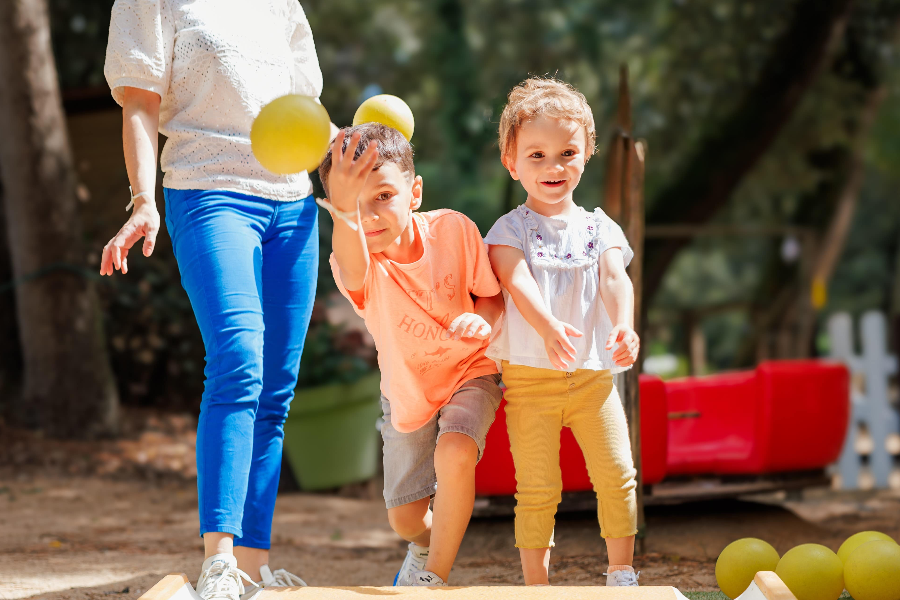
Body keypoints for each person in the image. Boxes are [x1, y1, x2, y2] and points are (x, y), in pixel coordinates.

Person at [101, 2, 332, 598]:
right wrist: (143, 201)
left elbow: (306, 114)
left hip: (294, 203)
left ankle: (253, 567)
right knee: (239, 363)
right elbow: (139, 102)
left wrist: (365, 160)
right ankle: (220, 561)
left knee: (277, 387)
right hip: (208, 191)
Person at [320, 123, 504, 586]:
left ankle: (435, 579)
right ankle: (424, 547)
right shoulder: (355, 261)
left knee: (456, 450)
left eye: (383, 195)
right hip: (407, 394)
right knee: (404, 520)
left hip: (469, 369)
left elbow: (492, 296)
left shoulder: (455, 230)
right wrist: (344, 210)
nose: (370, 216)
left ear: (414, 191)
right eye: (353, 205)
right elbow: (354, 253)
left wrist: (484, 320)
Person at [484, 77, 641, 587]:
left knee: (617, 476)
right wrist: (548, 325)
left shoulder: (601, 228)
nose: (553, 167)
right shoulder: (510, 229)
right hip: (530, 381)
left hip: (594, 380)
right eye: (537, 155)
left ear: (587, 153)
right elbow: (515, 278)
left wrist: (623, 325)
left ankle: (621, 572)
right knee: (536, 488)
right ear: (511, 161)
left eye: (567, 152)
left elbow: (616, 278)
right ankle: (537, 586)